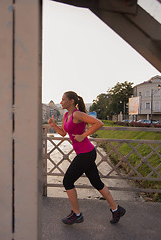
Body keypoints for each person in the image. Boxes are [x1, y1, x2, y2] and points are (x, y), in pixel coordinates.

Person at [48, 91, 126, 225]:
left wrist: (83, 136)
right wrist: (53, 125)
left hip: (86, 153)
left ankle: (76, 214)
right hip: (84, 153)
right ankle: (116, 209)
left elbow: (99, 123)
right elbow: (63, 133)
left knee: (67, 181)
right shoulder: (66, 115)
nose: (61, 102)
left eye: (63, 99)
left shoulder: (77, 114)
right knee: (97, 183)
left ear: (71, 101)